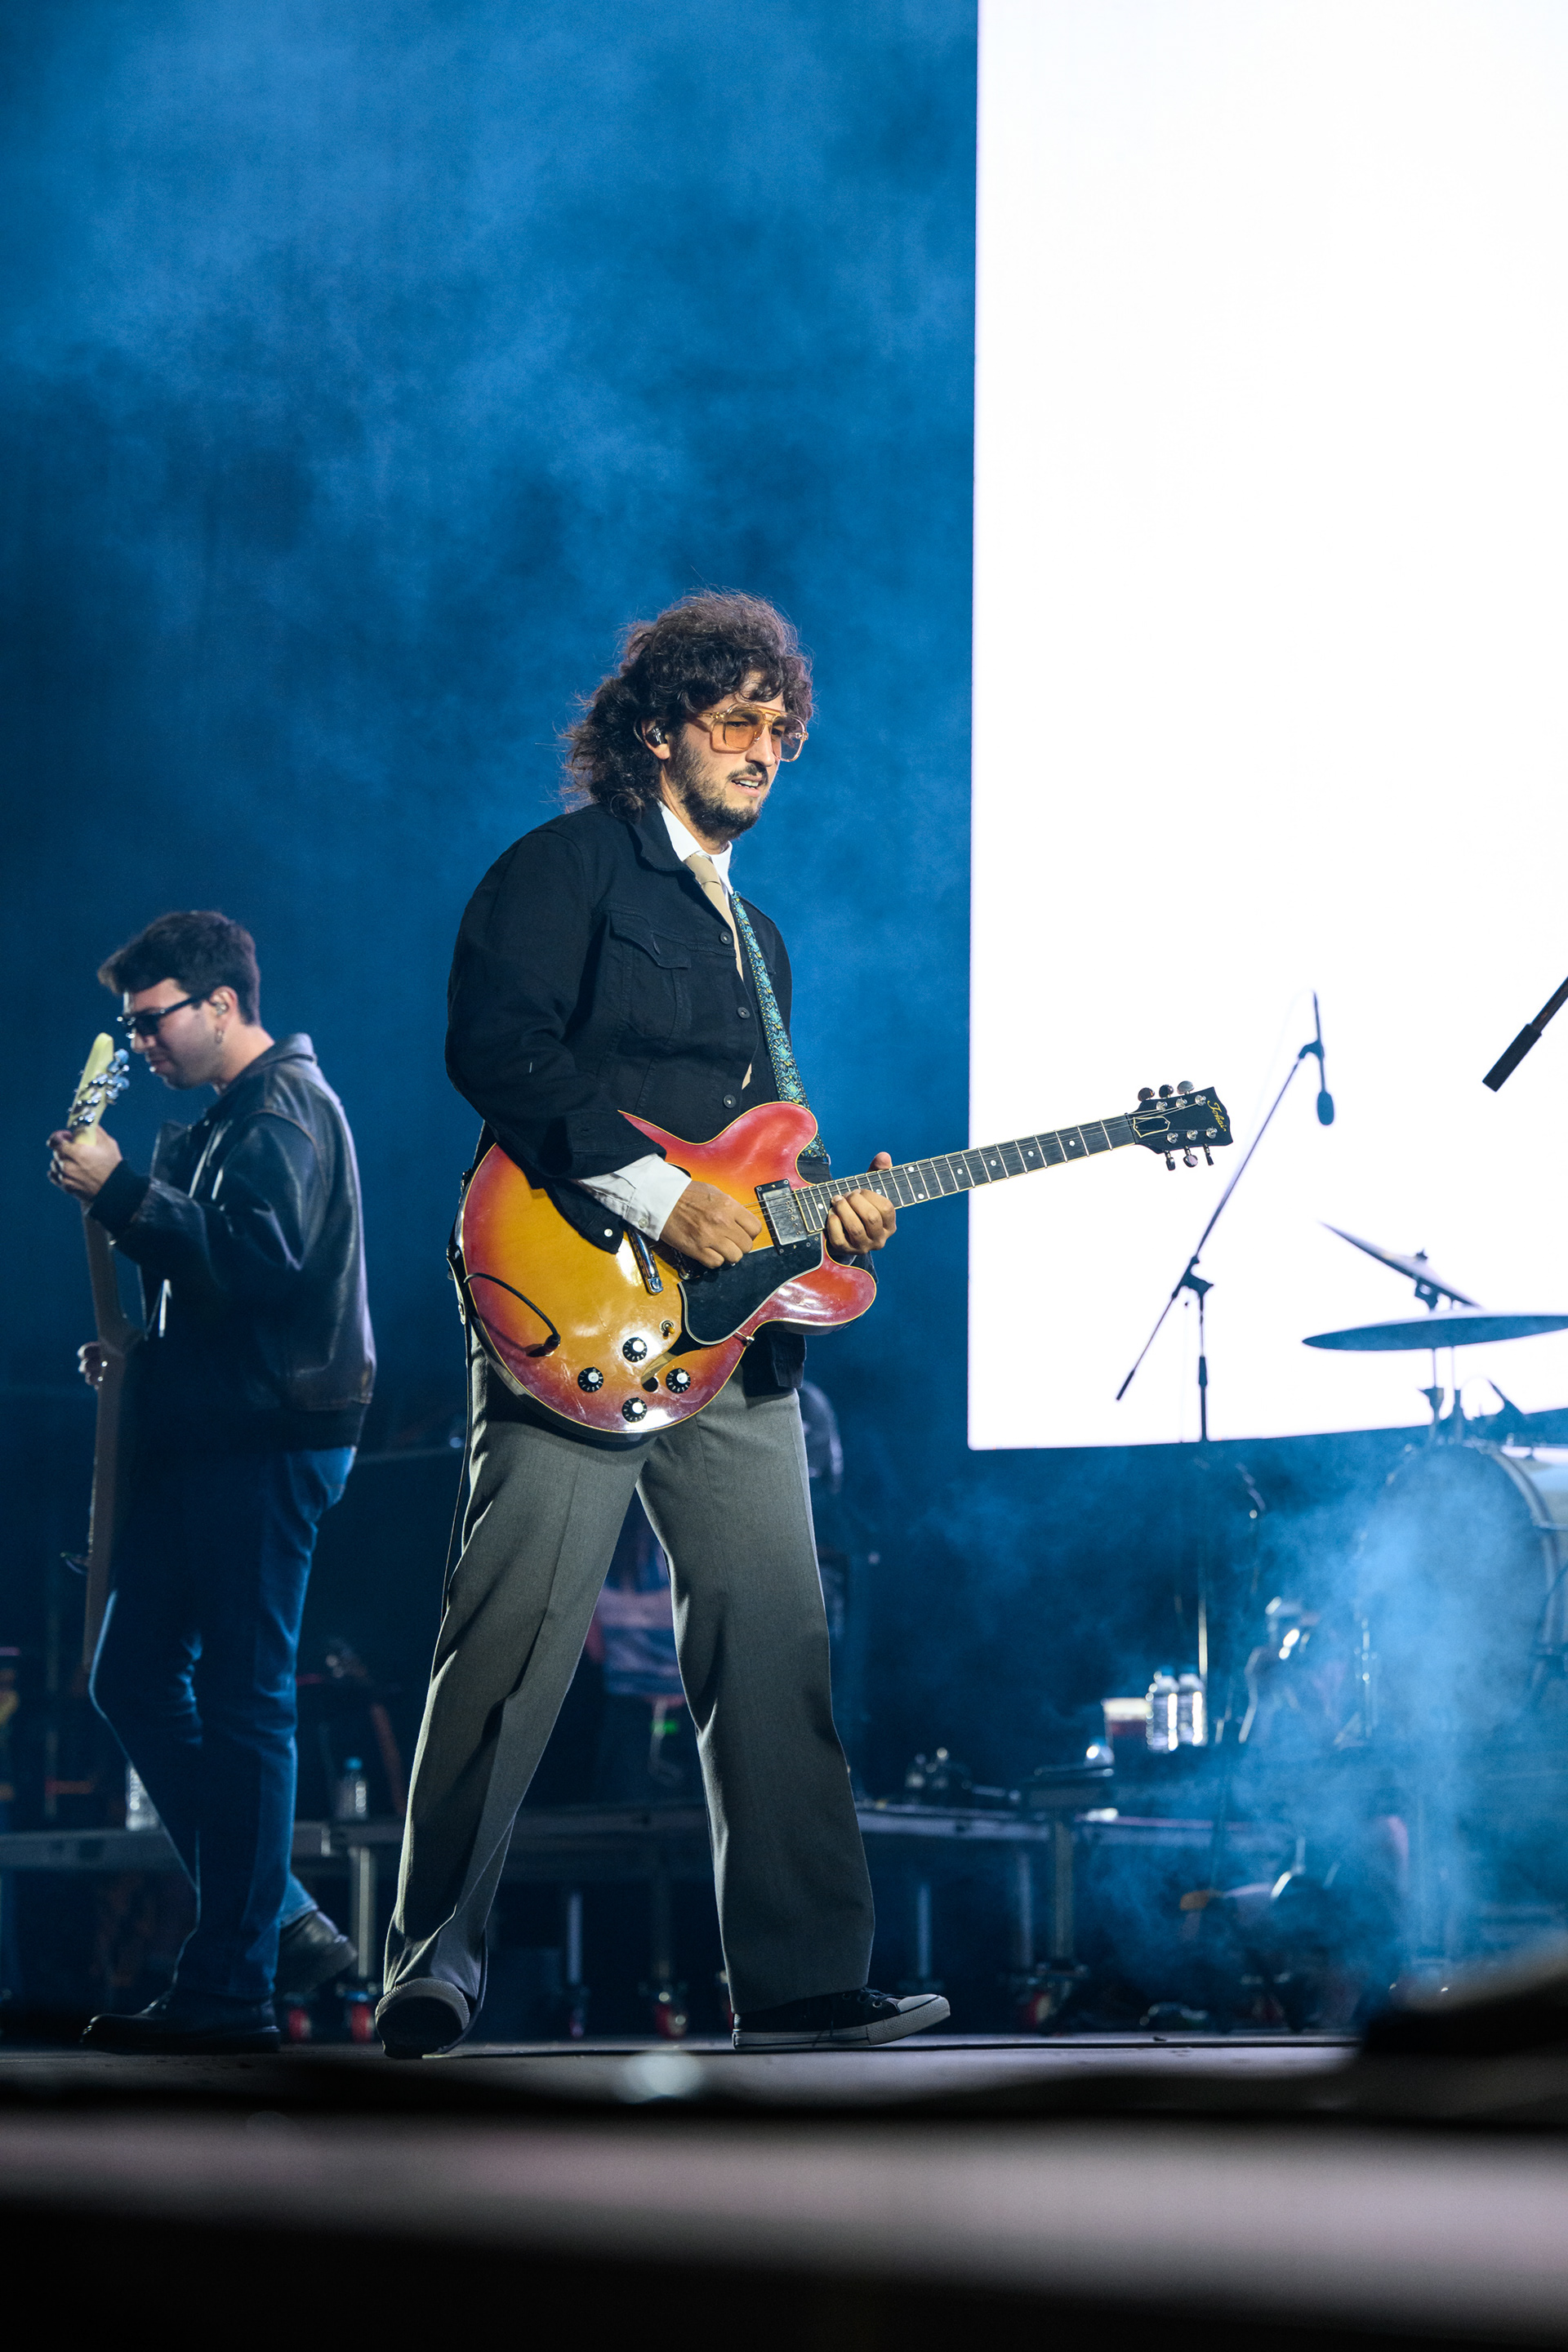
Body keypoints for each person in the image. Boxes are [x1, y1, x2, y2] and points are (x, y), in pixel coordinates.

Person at [380, 591, 948, 2055]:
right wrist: (654, 1198)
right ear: (655, 730)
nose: (764, 749)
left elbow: (760, 1159)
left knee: (776, 1651)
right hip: (575, 1295)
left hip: (737, 1336)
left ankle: (805, 1982)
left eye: (783, 730)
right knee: (510, 1639)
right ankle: (433, 1966)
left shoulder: (759, 938)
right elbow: (495, 1046)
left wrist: (835, 1214)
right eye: (737, 720)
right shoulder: (565, 869)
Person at [47, 911, 375, 2053]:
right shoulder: (236, 1115)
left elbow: (258, 1263)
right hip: (218, 1432)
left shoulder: (283, 1109)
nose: (141, 1045)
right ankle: (275, 1918)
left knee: (245, 1703)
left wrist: (123, 1193)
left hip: (269, 1437)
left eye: (153, 1022)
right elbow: (222, 1285)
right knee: (131, 1677)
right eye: (132, 1028)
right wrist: (143, 1357)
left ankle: (232, 1987)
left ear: (221, 1003)